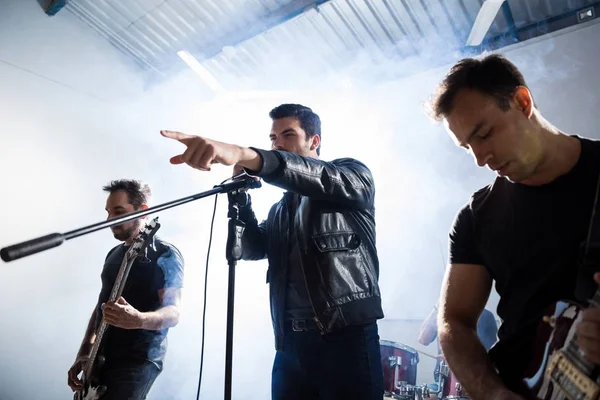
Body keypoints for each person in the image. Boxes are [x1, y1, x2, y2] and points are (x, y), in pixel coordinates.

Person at [161, 103, 384, 399]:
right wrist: (241, 197)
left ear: (313, 141)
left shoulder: (351, 175)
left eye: (287, 134)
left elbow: (319, 177)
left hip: (344, 338)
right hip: (290, 343)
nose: (278, 143)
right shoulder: (280, 210)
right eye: (273, 138)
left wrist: (246, 154)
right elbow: (251, 248)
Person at [428, 53, 600, 400]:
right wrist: (491, 393)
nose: (480, 158)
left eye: (485, 133)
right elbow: (455, 322)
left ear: (522, 102)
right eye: (467, 147)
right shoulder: (475, 217)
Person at [67, 179, 185, 400]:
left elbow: (173, 312)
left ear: (143, 211)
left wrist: (139, 319)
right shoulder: (113, 255)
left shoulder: (165, 254)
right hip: (100, 359)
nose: (110, 219)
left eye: (118, 211)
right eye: (108, 212)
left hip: (137, 359)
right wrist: (84, 352)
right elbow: (101, 308)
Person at [418, 303, 497, 384]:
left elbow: (489, 357)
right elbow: (423, 339)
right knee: (423, 396)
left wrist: (457, 358)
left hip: (473, 385)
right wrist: (438, 305)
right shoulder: (442, 313)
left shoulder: (486, 316)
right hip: (441, 382)